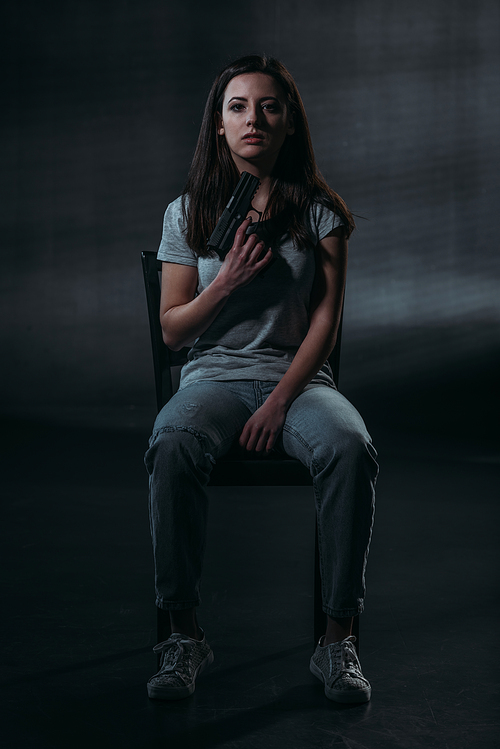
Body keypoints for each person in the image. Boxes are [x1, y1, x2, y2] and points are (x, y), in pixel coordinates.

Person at [144, 55, 378, 704]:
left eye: (270, 106)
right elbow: (174, 331)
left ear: (289, 123)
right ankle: (183, 633)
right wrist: (232, 280)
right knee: (171, 443)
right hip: (211, 380)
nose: (254, 118)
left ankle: (337, 639)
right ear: (219, 125)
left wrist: (279, 400)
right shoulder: (187, 213)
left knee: (348, 446)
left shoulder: (321, 213)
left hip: (301, 383)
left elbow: (325, 321)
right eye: (239, 106)